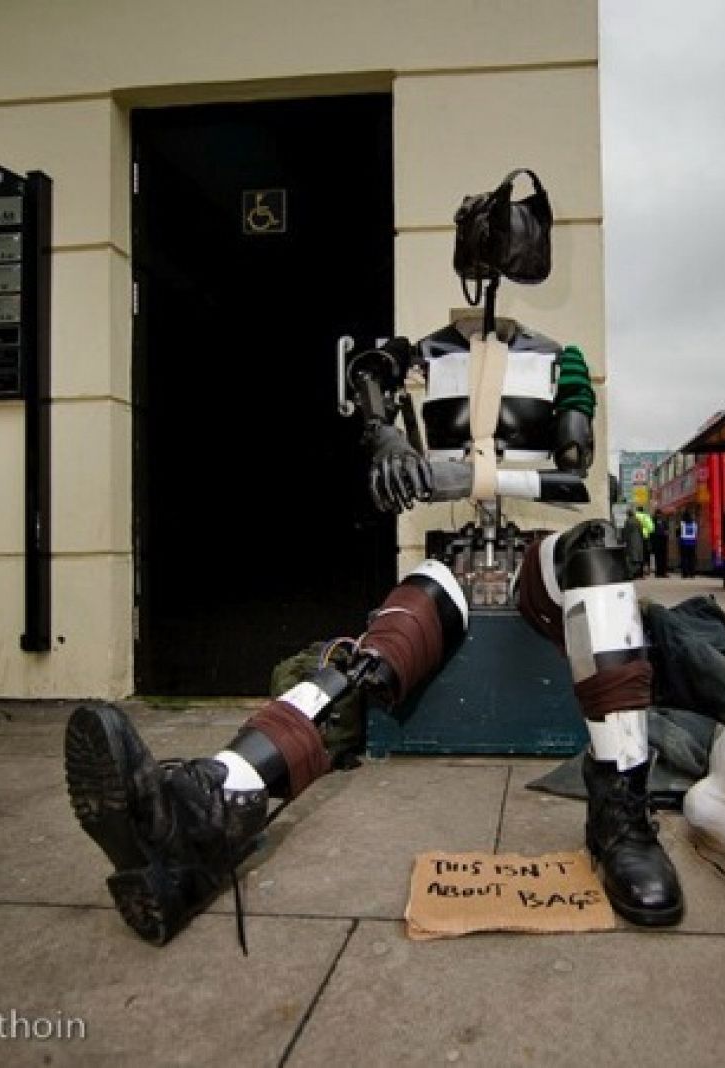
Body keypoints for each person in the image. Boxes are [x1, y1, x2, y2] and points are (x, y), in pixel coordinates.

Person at [64, 171, 684, 947]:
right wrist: (385, 431)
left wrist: (458, 472)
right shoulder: (423, 353)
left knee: (599, 550)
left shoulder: (559, 361)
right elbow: (369, 372)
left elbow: (569, 477)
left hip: (532, 557)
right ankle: (206, 804)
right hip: (457, 559)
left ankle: (621, 814)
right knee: (369, 662)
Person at [622, 507, 646, 579]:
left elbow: (626, 532)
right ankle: (637, 573)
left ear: (628, 514)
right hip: (638, 541)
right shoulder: (638, 521)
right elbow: (641, 531)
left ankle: (631, 574)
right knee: (637, 558)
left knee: (631, 558)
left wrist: (623, 540)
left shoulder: (628, 521)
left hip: (631, 541)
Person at [677, 510, 699, 578]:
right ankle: (692, 573)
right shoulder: (694, 524)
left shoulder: (681, 524)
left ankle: (685, 574)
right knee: (692, 559)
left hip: (684, 543)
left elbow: (677, 533)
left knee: (684, 559)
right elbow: (696, 533)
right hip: (692, 543)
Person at [650, 512, 671, 578]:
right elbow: (652, 533)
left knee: (661, 558)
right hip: (658, 543)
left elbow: (667, 531)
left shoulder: (662, 522)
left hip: (661, 542)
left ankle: (662, 573)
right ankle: (660, 573)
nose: (659, 516)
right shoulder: (654, 522)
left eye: (659, 515)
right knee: (659, 558)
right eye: (658, 515)